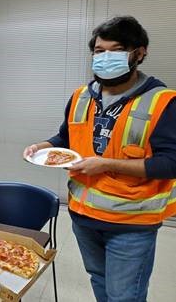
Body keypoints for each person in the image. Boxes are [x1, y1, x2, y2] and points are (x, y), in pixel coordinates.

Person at [23, 16, 176, 302]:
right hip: (83, 215)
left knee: (123, 296)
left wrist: (106, 164)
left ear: (139, 53)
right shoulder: (82, 95)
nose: (105, 57)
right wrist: (42, 146)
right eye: (99, 51)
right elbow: (65, 138)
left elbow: (170, 164)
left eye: (115, 50)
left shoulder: (162, 101)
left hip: (131, 221)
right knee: (100, 283)